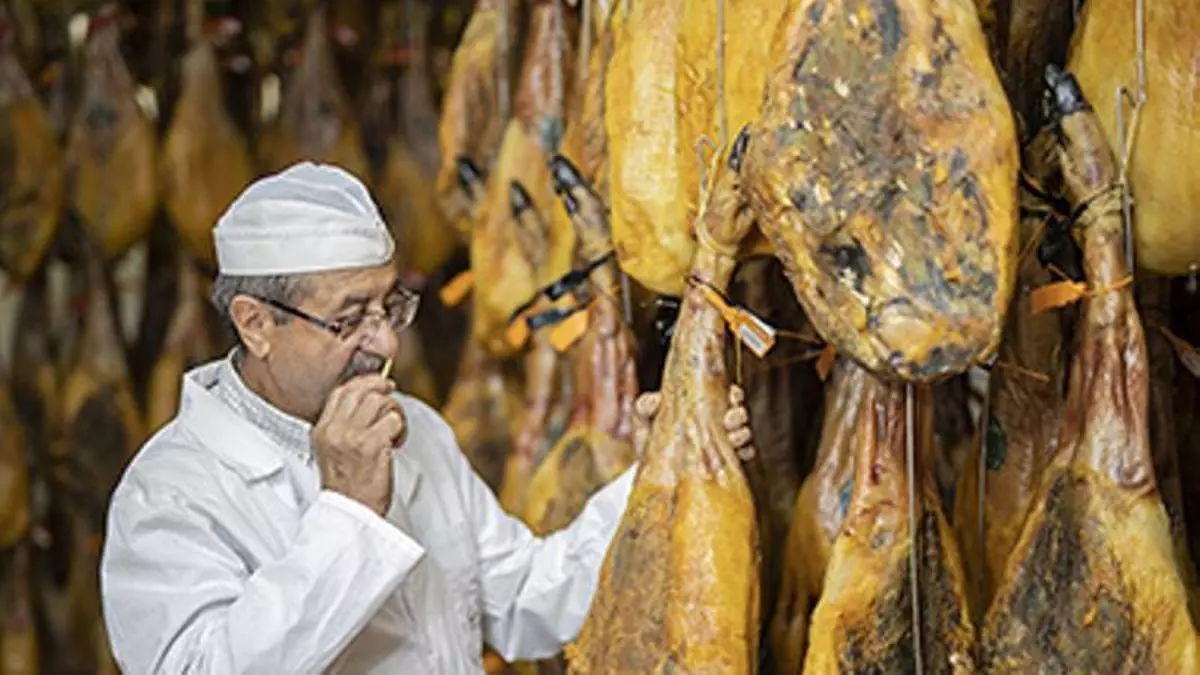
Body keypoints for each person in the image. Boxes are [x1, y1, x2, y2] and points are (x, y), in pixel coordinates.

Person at [99, 162, 757, 674]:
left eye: (391, 308)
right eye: (349, 320)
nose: (386, 342)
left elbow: (530, 600)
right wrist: (349, 511)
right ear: (256, 323)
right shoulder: (173, 492)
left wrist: (657, 471)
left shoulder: (417, 430)